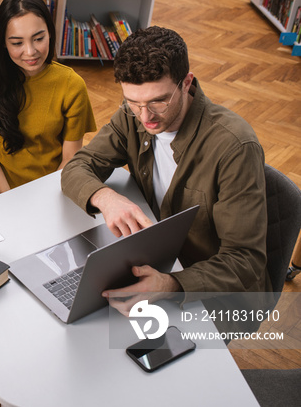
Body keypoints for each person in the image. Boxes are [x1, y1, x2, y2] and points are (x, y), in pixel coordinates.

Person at [61, 26, 272, 316]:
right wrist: (106, 198)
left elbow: (245, 261)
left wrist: (169, 285)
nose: (145, 116)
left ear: (186, 83)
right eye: (134, 102)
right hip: (157, 259)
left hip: (213, 292)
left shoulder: (234, 147)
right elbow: (76, 167)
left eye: (158, 101)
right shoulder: (131, 114)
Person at [0, 0, 96, 202]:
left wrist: (43, 200)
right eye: (17, 43)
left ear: (50, 33)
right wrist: (12, 199)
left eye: (38, 38)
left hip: (51, 192)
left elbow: (69, 157)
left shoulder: (71, 85)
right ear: (3, 44)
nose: (30, 51)